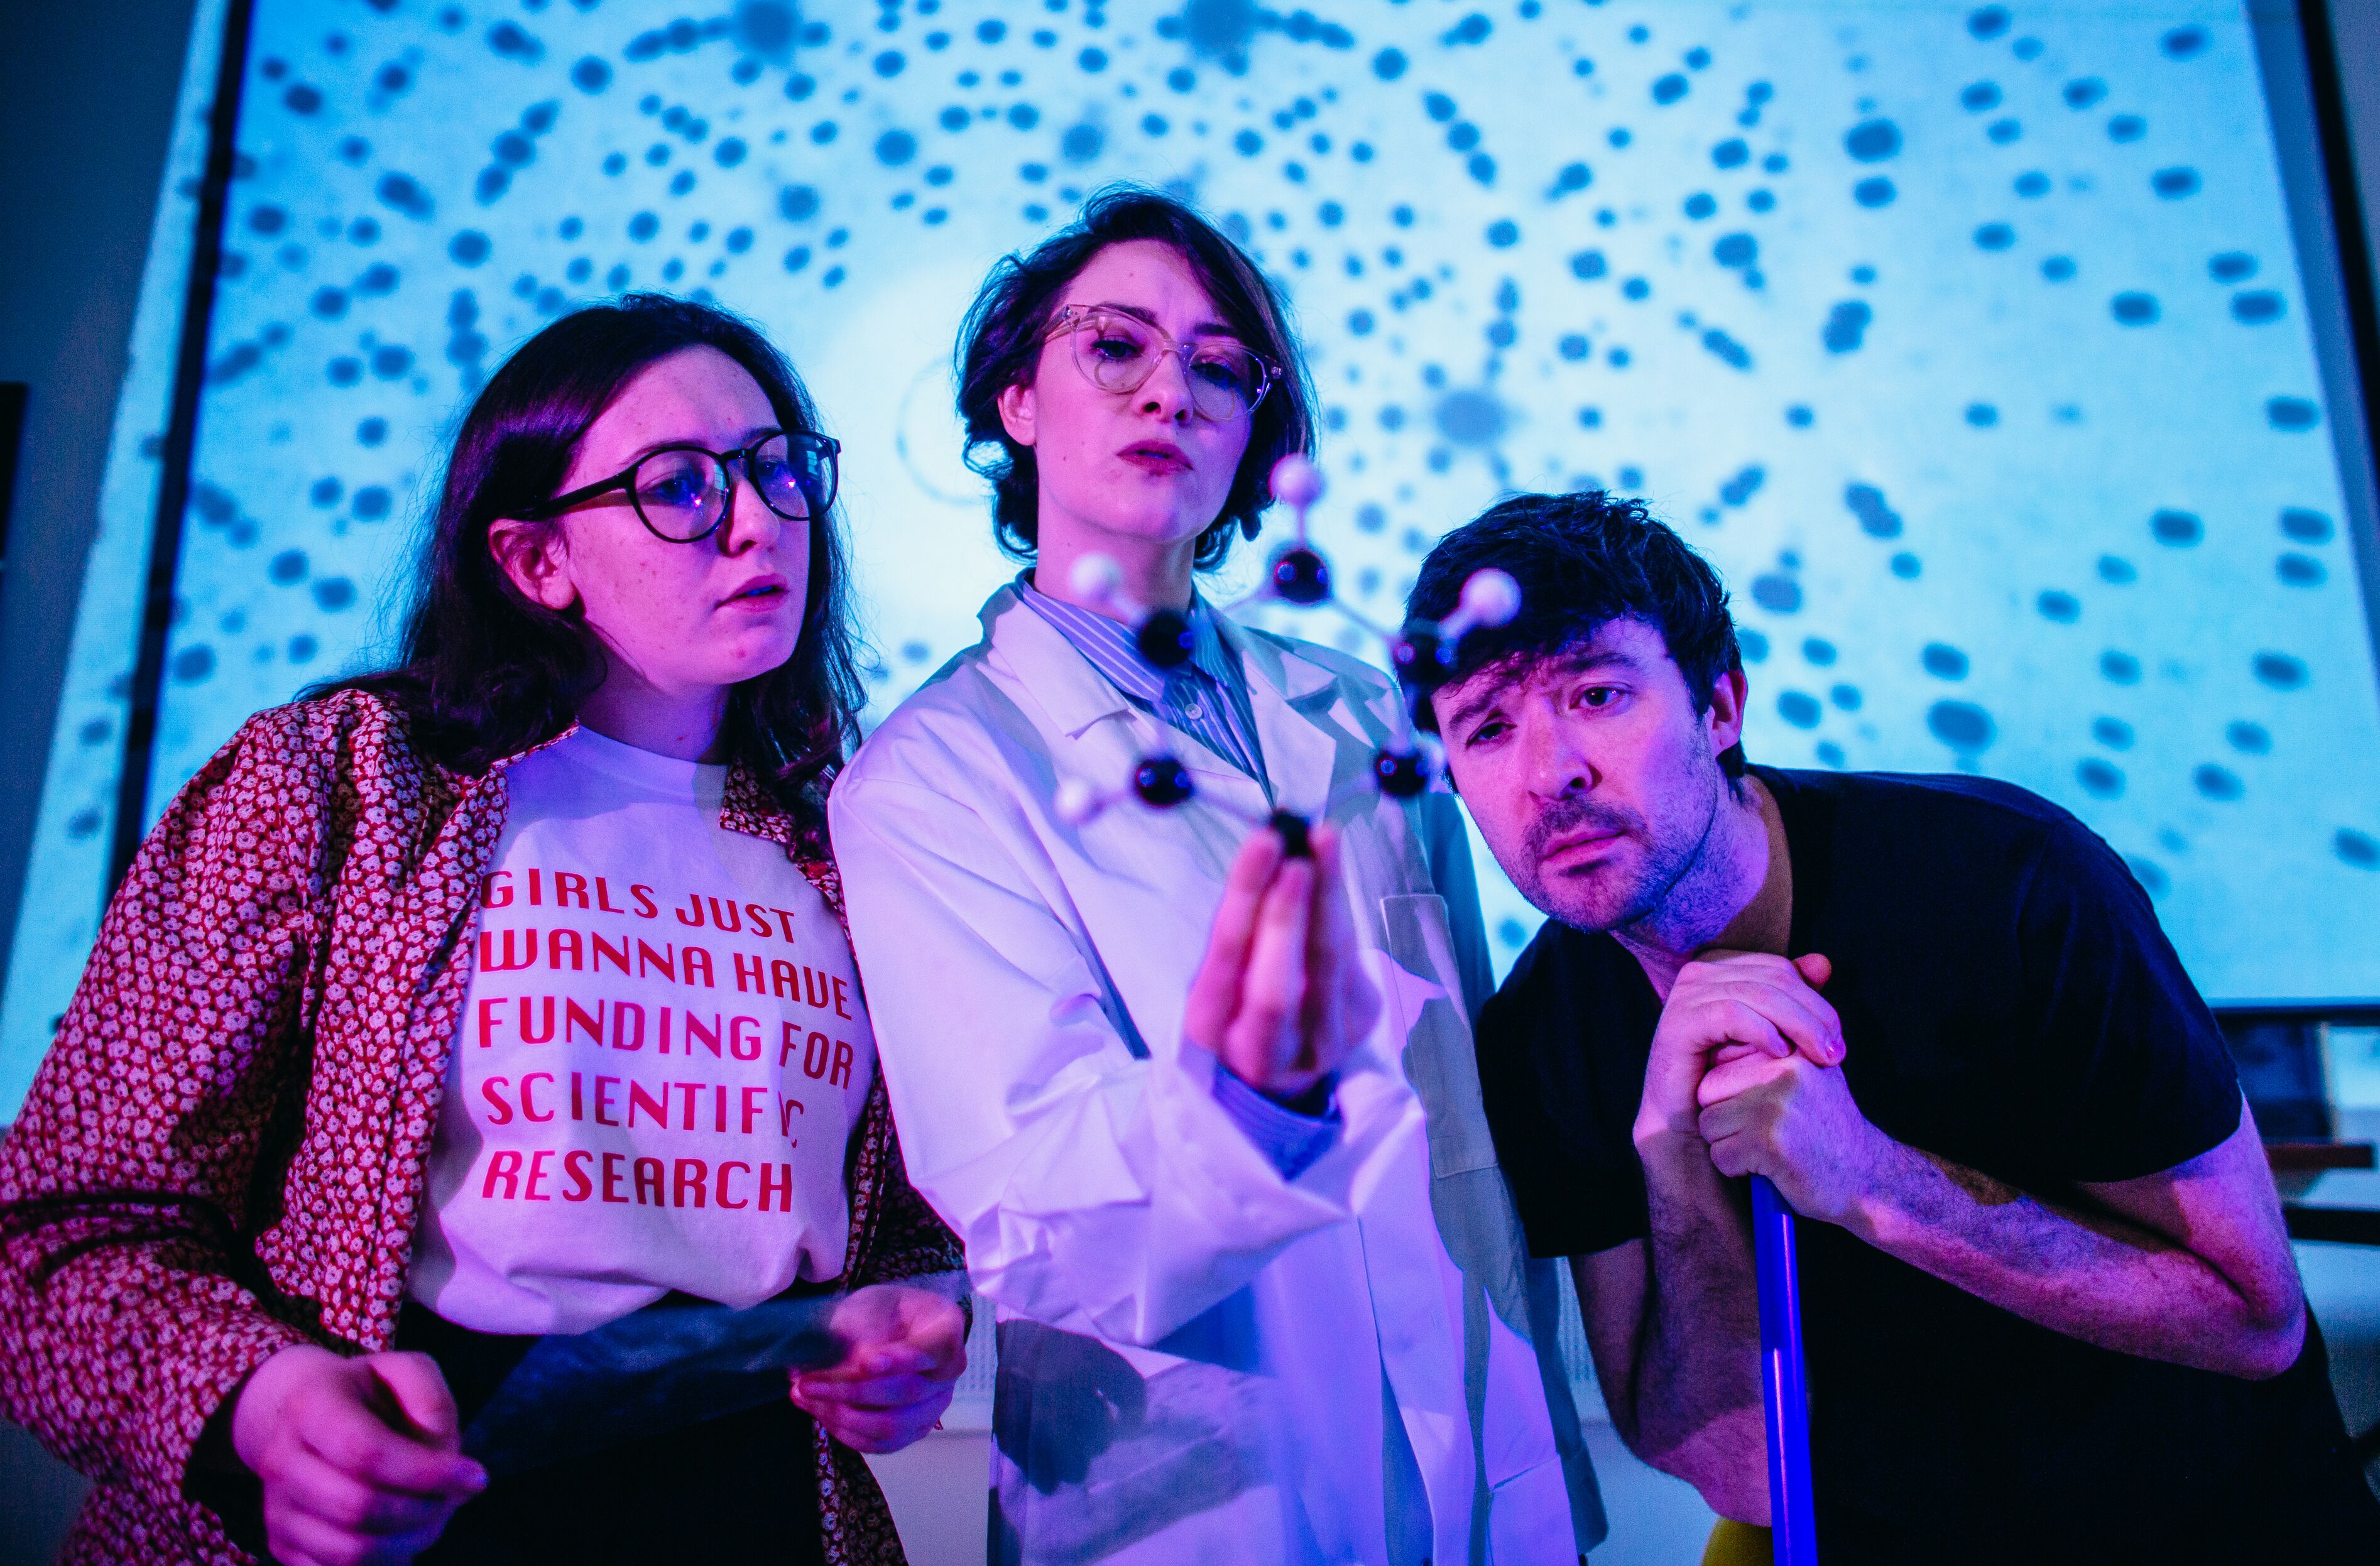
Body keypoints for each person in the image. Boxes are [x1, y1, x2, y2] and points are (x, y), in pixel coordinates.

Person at [0, 296, 967, 1566]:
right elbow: (66, 1228)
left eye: (777, 467)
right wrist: (260, 1403)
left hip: (762, 1501)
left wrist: (916, 1327)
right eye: (679, 486)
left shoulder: (848, 838)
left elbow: (907, 1231)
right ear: (534, 561)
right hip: (411, 1488)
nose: (756, 519)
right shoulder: (342, 782)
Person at [828, 188, 1604, 1565]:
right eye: (1114, 345)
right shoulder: (932, 781)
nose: (1169, 391)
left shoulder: (1362, 713)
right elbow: (1038, 1211)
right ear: (1016, 399)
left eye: (1221, 366)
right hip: (1197, 1492)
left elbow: (1465, 1109)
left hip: (1482, 1458)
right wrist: (1244, 1103)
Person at [1407, 489, 2380, 1563]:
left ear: (1720, 706)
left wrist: (1870, 1179)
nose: (1551, 773)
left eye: (1597, 695)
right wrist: (1674, 1159)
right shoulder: (1542, 1038)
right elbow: (1739, 1467)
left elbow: (2254, 1318)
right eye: (1488, 728)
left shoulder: (2011, 885)